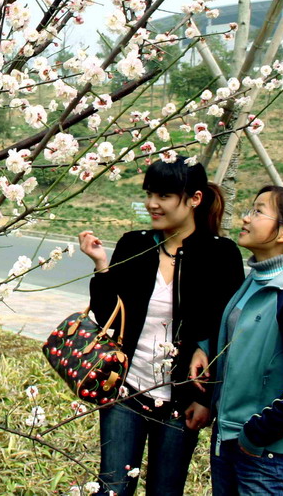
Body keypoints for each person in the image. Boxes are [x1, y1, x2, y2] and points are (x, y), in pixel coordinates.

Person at [78, 156, 244, 496]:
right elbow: (108, 315)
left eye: (164, 196)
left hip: (182, 399)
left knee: (165, 491)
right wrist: (100, 265)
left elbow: (225, 334)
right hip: (126, 390)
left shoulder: (221, 255)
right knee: (112, 489)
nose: (152, 204)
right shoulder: (134, 244)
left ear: (195, 198)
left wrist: (205, 399)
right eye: (149, 194)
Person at [190, 186, 283, 496]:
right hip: (228, 440)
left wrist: (253, 435)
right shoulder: (254, 280)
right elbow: (241, 341)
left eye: (258, 211)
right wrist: (205, 349)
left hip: (264, 455)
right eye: (250, 210)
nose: (246, 218)